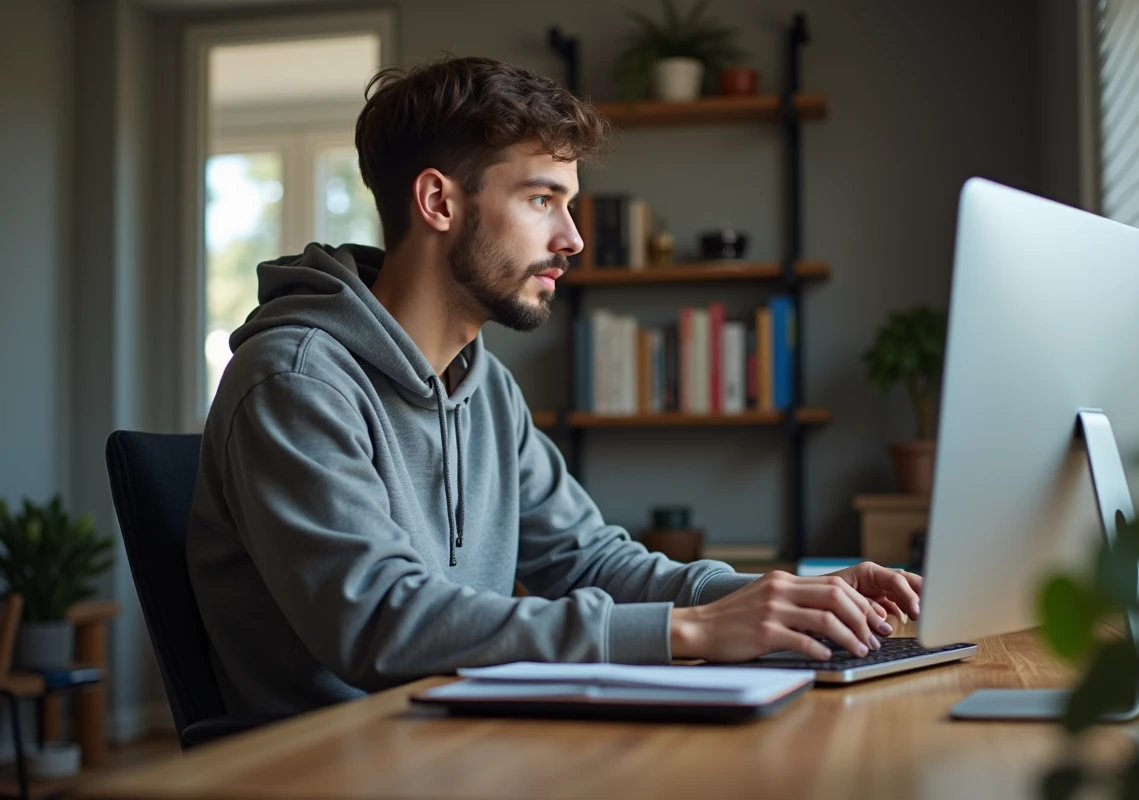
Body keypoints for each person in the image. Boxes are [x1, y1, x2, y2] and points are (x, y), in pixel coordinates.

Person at [187, 55, 922, 716]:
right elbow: (380, 624)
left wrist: (775, 599)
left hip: (453, 739)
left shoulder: (487, 390)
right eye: (543, 200)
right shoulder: (296, 380)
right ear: (439, 203)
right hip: (325, 765)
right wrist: (691, 630)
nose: (571, 238)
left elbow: (592, 563)